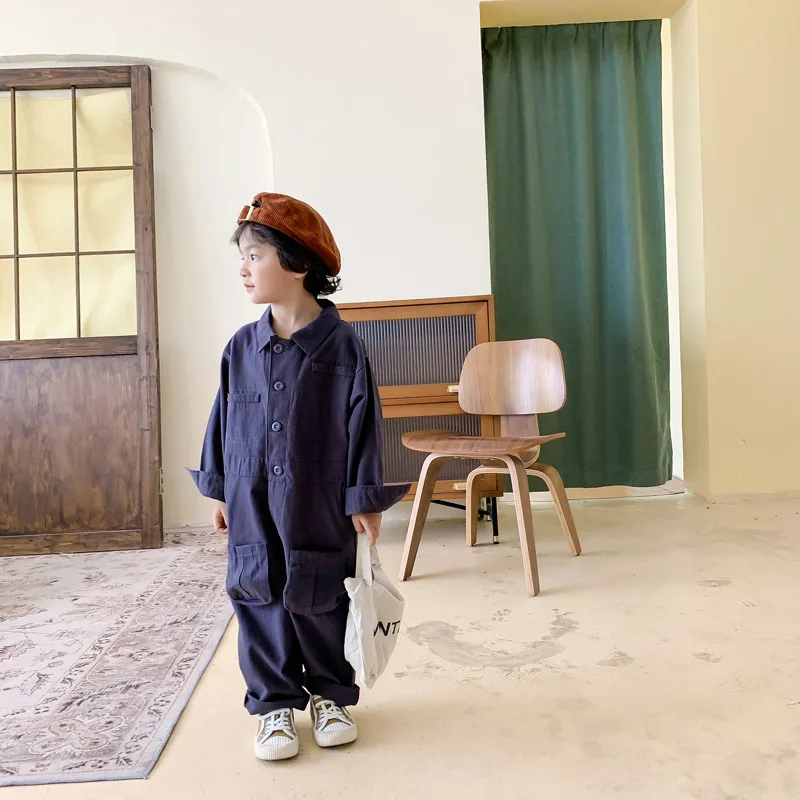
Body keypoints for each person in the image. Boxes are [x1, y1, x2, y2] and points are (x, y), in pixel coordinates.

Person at [190, 192, 409, 761]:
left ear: (297, 263)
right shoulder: (241, 347)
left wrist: (364, 499)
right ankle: (274, 705)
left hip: (319, 501)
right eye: (242, 256)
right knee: (257, 593)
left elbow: (364, 424)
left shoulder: (343, 346)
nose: (243, 268)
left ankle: (330, 695)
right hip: (252, 500)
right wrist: (220, 490)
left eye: (255, 255)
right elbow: (223, 419)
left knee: (322, 595)